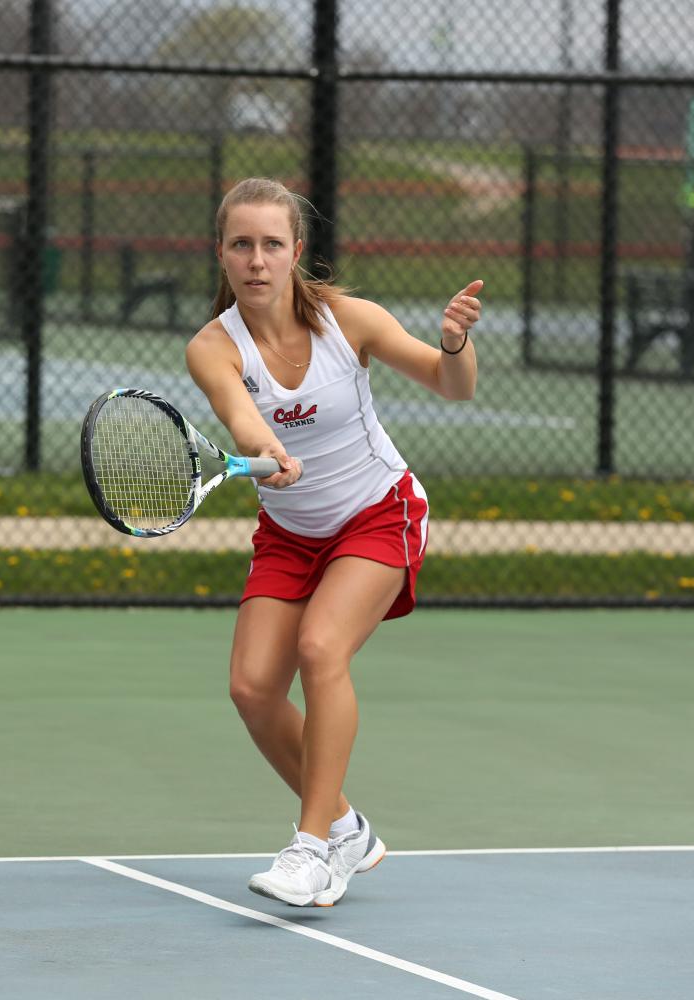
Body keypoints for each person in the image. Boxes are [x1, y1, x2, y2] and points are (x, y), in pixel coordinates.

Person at [184, 177, 482, 907]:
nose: (257, 260)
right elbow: (242, 418)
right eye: (242, 244)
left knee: (322, 649)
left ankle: (312, 846)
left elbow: (454, 386)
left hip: (379, 513)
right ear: (221, 254)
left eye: (272, 245)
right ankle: (348, 826)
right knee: (253, 689)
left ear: (297, 252)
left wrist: (456, 344)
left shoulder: (351, 322)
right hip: (289, 533)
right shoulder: (211, 348)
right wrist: (266, 451)